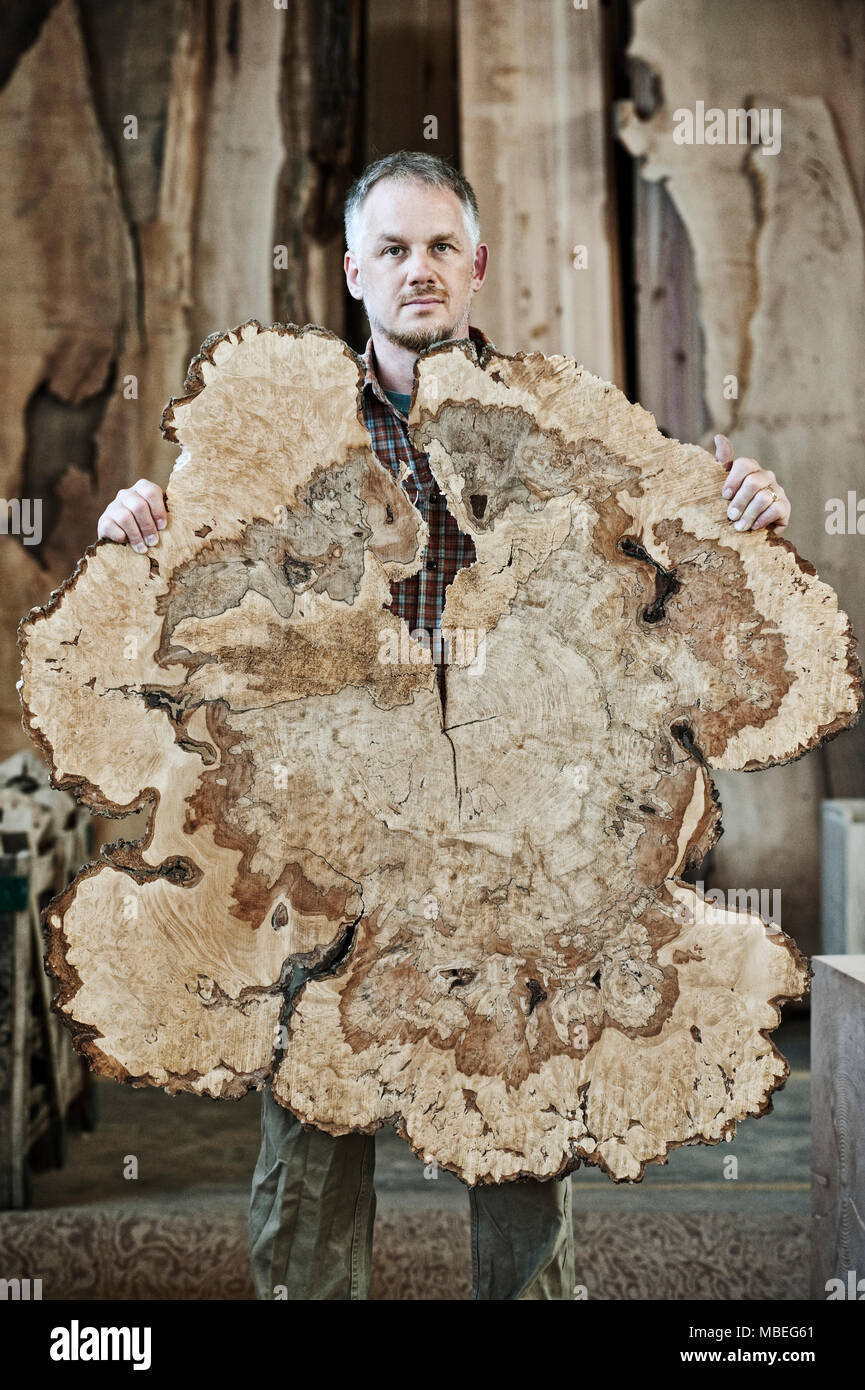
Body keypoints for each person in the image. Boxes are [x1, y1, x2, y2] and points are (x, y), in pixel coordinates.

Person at [96, 151, 792, 1300]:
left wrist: (744, 509)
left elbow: (662, 568)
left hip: (512, 838)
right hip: (332, 831)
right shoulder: (286, 432)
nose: (415, 270)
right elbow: (205, 583)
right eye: (390, 250)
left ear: (474, 266)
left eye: (436, 248)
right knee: (314, 1135)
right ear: (353, 275)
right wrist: (139, 524)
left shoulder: (560, 423)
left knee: (515, 1122)